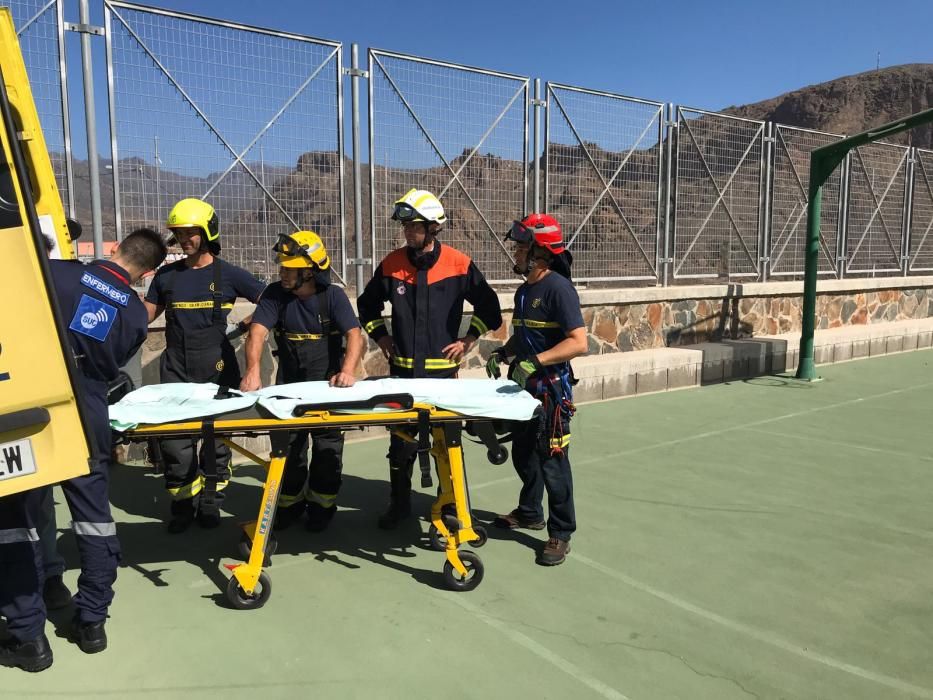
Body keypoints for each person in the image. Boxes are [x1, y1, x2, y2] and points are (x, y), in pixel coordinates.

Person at [0, 228, 167, 671]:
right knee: (94, 519)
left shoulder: (55, 274)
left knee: (18, 520)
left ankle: (27, 635)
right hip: (89, 408)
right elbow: (116, 362)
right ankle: (92, 622)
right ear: (147, 272)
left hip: (32, 406)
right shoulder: (134, 313)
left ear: (113, 249)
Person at [357, 188, 502, 529]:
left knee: (447, 443)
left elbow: (490, 309)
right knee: (400, 443)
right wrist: (382, 336)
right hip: (402, 376)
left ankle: (450, 504)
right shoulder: (392, 264)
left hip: (442, 380)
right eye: (406, 226)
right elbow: (367, 306)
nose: (408, 232)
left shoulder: (459, 264)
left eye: (415, 226)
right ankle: (399, 503)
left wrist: (468, 339)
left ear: (434, 227)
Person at [144, 198, 266, 533]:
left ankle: (211, 503)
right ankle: (183, 505)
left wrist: (245, 327)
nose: (185, 239)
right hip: (175, 371)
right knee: (176, 444)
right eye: (180, 233)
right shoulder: (166, 277)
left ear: (207, 231)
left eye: (191, 232)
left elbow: (270, 302)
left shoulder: (229, 275)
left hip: (218, 369)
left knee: (216, 443)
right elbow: (146, 315)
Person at [240, 231, 364, 531]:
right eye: (282, 267)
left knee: (327, 452)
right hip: (288, 390)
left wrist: (348, 370)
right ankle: (289, 506)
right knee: (288, 451)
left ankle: (322, 507)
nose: (281, 273)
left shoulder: (332, 296)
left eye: (289, 268)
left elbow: (354, 335)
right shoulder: (274, 295)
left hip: (328, 390)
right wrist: (253, 370)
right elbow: (257, 332)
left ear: (309, 271)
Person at [486, 214, 586, 566]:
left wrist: (536, 361)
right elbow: (525, 332)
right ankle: (529, 511)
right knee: (524, 455)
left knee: (553, 463)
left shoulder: (558, 288)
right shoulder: (526, 288)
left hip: (550, 394)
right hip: (524, 390)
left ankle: (561, 532)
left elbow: (578, 342)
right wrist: (506, 352)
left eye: (521, 246)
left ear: (540, 252)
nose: (514, 251)